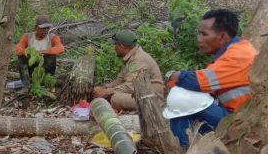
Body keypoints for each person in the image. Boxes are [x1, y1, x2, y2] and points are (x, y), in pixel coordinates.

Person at [165, 9, 258, 146]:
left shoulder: (239, 55)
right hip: (240, 115)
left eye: (204, 34)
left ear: (222, 36)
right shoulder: (236, 50)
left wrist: (172, 75)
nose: (199, 39)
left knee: (182, 100)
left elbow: (197, 81)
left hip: (241, 121)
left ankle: (182, 150)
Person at [92, 30, 164, 111]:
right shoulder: (130, 57)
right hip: (142, 94)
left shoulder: (139, 60)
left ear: (121, 46)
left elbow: (131, 86)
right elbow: (120, 80)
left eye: (115, 45)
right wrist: (104, 88)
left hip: (151, 99)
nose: (114, 47)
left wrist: (106, 92)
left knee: (115, 98)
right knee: (110, 94)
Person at [15, 14, 64, 87]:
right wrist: (28, 52)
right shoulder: (27, 37)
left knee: (51, 56)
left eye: (47, 28)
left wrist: (43, 52)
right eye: (43, 28)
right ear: (36, 27)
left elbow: (60, 48)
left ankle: (46, 80)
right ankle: (25, 84)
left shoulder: (53, 37)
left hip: (46, 69)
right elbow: (18, 50)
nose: (46, 30)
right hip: (31, 68)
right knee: (21, 58)